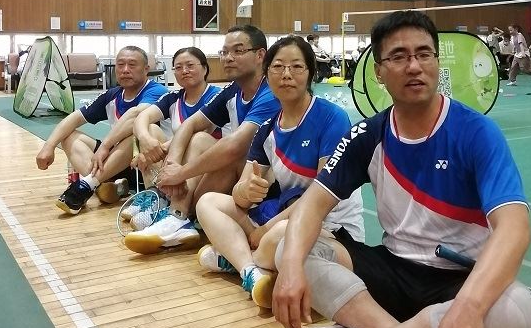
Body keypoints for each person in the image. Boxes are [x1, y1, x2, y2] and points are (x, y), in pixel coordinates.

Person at [268, 10, 531, 328]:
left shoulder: (476, 132)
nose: (414, 65)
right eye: (398, 56)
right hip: (392, 271)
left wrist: (467, 308)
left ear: (436, 62)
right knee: (292, 250)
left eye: (424, 54)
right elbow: (312, 205)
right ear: (379, 72)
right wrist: (290, 269)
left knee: (522, 311)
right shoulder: (368, 134)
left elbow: (514, 229)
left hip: (459, 281)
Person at [195, 35, 364, 308]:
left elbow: (319, 198)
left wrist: (266, 229)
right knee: (208, 202)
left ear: (310, 73)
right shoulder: (268, 129)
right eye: (278, 67)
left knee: (280, 235)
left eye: (296, 66)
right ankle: (252, 271)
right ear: (267, 73)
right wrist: (245, 190)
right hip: (285, 218)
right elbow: (240, 195)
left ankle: (239, 258)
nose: (286, 74)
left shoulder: (332, 118)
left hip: (332, 229)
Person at [123, 25, 281, 253]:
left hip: (263, 182)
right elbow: (190, 124)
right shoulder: (232, 91)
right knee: (197, 138)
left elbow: (236, 145)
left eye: (238, 51)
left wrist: (181, 174)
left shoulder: (270, 92)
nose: (228, 58)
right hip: (229, 180)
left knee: (229, 151)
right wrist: (172, 167)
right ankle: (178, 215)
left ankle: (178, 214)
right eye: (224, 52)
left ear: (260, 55)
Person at [90, 47, 223, 228]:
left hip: (211, 168)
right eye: (178, 67)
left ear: (205, 68)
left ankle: (174, 210)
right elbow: (141, 117)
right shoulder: (173, 97)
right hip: (181, 164)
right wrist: (145, 141)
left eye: (190, 65)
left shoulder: (216, 96)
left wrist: (155, 151)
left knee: (196, 139)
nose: (184, 71)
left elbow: (196, 133)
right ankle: (156, 198)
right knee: (150, 129)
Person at [35, 46, 167, 215]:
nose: (125, 70)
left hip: (149, 161)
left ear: (146, 69)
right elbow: (74, 119)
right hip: (119, 163)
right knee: (69, 136)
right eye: (120, 65)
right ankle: (107, 186)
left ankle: (88, 184)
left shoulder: (157, 91)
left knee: (143, 130)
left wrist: (105, 146)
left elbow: (135, 116)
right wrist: (49, 146)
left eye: (132, 65)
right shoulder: (111, 95)